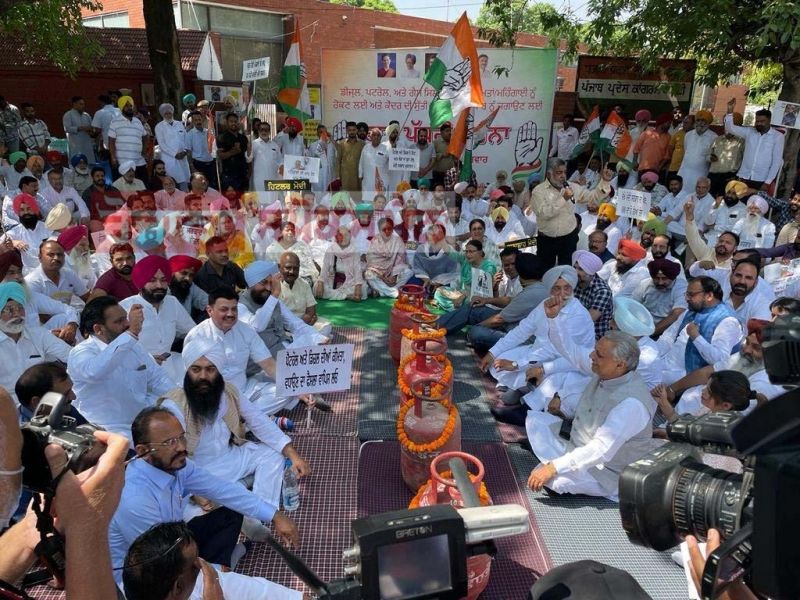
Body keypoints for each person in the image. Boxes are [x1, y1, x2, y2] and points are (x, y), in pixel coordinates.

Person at [108, 406, 299, 580]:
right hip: (146, 576)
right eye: (170, 442)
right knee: (219, 584)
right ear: (143, 451)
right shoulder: (135, 499)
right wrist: (211, 574)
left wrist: (275, 515)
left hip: (174, 540)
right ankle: (219, 570)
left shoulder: (177, 465)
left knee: (231, 514)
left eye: (181, 437)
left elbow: (222, 489)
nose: (182, 447)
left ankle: (220, 567)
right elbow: (163, 563)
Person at [160, 338, 310, 528]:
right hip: (197, 472)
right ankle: (238, 494)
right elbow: (168, 456)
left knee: (273, 455)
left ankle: (259, 516)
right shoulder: (174, 405)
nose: (203, 376)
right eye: (196, 369)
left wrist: (292, 454)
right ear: (187, 371)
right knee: (189, 515)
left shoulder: (228, 391)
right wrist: (193, 491)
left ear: (219, 371)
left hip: (232, 458)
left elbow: (259, 421)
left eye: (210, 369)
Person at [526, 328, 656, 499]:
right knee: (535, 421)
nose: (591, 356)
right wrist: (554, 320)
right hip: (579, 441)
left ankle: (565, 466)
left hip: (608, 469)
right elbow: (570, 351)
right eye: (595, 350)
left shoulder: (631, 404)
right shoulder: (609, 371)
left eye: (599, 355)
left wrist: (553, 468)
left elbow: (601, 449)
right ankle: (561, 459)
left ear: (620, 364)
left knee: (554, 481)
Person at [483, 266, 596, 410]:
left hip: (566, 362)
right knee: (499, 358)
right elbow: (522, 330)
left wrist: (517, 364)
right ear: (550, 290)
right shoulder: (545, 304)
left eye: (567, 288)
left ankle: (525, 394)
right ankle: (522, 386)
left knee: (552, 381)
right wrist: (492, 352)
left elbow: (556, 350)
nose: (562, 293)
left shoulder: (578, 314)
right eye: (557, 288)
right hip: (537, 353)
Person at [68, 296, 174, 437]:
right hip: (102, 430)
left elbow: (158, 378)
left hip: (141, 422)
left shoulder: (133, 346)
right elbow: (95, 372)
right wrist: (132, 334)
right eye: (119, 321)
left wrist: (181, 398)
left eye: (126, 318)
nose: (127, 324)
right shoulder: (80, 353)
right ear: (98, 329)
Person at [122, 522, 305, 600]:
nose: (202, 564)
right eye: (195, 565)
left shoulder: (201, 582)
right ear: (177, 587)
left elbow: (260, 592)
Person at [120, 255, 196, 384]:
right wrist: (146, 360)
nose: (159, 285)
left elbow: (193, 332)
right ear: (141, 282)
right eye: (152, 280)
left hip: (171, 372)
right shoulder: (125, 307)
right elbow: (114, 351)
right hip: (137, 374)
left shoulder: (172, 302)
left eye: (163, 280)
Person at [656, 276, 742, 383]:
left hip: (687, 375)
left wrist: (696, 336)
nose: (687, 299)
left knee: (645, 377)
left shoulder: (728, 321)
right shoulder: (692, 310)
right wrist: (654, 357)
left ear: (709, 296)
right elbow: (668, 337)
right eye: (687, 294)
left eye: (691, 295)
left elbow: (719, 361)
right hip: (666, 362)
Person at [531, 158, 613, 269]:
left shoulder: (572, 187)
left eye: (565, 172)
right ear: (549, 174)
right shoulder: (538, 191)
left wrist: (605, 182)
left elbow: (592, 198)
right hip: (547, 240)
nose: (563, 176)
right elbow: (544, 214)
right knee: (544, 271)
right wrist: (563, 199)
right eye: (559, 172)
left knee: (567, 271)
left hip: (568, 239)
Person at [238, 260, 326, 360]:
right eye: (263, 283)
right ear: (251, 284)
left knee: (322, 333)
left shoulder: (272, 299)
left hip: (284, 347)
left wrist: (319, 338)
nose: (269, 288)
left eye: (272, 283)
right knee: (308, 344)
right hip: (263, 359)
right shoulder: (240, 306)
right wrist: (274, 295)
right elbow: (258, 326)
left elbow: (295, 324)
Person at [0, 281, 71, 401]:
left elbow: (72, 357)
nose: (17, 314)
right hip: (5, 405)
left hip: (40, 402)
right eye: (9, 310)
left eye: (20, 308)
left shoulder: (39, 335)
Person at [724, 98, 784, 190]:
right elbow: (730, 128)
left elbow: (776, 162)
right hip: (744, 176)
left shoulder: (777, 136)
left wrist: (767, 182)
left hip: (761, 179)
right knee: (739, 198)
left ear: (769, 121)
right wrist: (730, 111)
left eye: (762, 121)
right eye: (757, 121)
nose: (759, 123)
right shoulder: (749, 132)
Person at [25, 239, 91, 306]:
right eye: (51, 255)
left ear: (64, 257)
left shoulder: (69, 274)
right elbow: (36, 310)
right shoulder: (31, 281)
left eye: (59, 255)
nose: (56, 258)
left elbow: (87, 297)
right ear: (40, 257)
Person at [278, 251, 330, 336]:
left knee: (326, 326)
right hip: (284, 327)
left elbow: (311, 310)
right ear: (279, 267)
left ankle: (303, 339)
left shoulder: (304, 284)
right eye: (288, 268)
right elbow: (275, 317)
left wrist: (302, 325)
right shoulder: (274, 286)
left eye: (296, 268)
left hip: (304, 323)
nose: (292, 272)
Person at [633, 258, 687, 337]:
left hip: (666, 333)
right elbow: (632, 305)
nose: (660, 282)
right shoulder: (645, 284)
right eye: (657, 278)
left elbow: (676, 315)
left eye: (664, 278)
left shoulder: (681, 287)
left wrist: (650, 333)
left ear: (672, 277)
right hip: (642, 327)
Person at [1, 193, 52, 274]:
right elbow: (2, 242)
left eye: (29, 209)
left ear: (35, 210)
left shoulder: (47, 228)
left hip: (50, 271)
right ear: (18, 212)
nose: (26, 212)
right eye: (22, 210)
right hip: (29, 274)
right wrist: (13, 242)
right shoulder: (16, 231)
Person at [364, 216, 412, 298]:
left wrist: (394, 275)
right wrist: (381, 275)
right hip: (378, 273)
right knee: (368, 274)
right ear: (380, 230)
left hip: (393, 273)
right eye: (384, 229)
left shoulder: (398, 241)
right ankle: (394, 293)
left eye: (389, 229)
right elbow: (371, 261)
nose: (387, 231)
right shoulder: (375, 241)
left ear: (392, 229)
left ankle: (383, 292)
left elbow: (400, 260)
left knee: (408, 272)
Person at [315, 225, 366, 301]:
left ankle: (337, 295)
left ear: (350, 236)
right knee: (316, 287)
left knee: (363, 288)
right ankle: (346, 296)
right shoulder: (331, 250)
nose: (344, 238)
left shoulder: (354, 251)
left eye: (346, 235)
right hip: (333, 279)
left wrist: (358, 286)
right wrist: (320, 283)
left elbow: (357, 269)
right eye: (341, 235)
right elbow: (324, 268)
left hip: (349, 281)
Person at [572, 249, 614, 339]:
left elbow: (587, 320)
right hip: (574, 327)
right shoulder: (575, 282)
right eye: (575, 267)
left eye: (580, 269)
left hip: (594, 335)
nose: (575, 272)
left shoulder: (602, 291)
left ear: (590, 273)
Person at [109, 95, 148, 181]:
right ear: (121, 107)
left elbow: (145, 136)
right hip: (123, 162)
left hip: (139, 162)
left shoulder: (138, 121)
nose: (130, 108)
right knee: (124, 187)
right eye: (126, 106)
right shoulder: (115, 122)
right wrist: (113, 157)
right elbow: (111, 141)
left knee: (142, 185)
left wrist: (144, 151)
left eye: (131, 106)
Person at [724, 257, 772, 326]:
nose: (742, 281)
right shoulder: (718, 296)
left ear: (756, 282)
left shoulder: (763, 305)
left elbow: (756, 332)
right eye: (738, 275)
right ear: (731, 277)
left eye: (748, 278)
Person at [678, 109, 716, 192]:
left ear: (708, 123)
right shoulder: (688, 135)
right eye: (698, 120)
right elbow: (686, 151)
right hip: (684, 172)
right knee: (680, 193)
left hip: (700, 174)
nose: (700, 123)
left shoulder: (713, 137)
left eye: (703, 121)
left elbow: (712, 157)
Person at [707, 112, 745, 196]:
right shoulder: (717, 140)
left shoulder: (742, 142)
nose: (728, 127)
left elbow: (744, 161)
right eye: (726, 124)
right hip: (713, 175)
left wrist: (736, 177)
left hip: (729, 177)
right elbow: (707, 156)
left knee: (723, 200)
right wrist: (710, 158)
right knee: (709, 199)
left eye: (731, 125)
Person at [155, 103, 191, 190]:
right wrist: (175, 154)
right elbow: (162, 145)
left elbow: (186, 139)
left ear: (172, 113)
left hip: (182, 158)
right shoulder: (159, 127)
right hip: (170, 160)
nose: (168, 115)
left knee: (185, 185)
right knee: (172, 183)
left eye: (169, 113)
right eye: (165, 113)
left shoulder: (179, 124)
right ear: (162, 114)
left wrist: (185, 151)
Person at [217, 112, 249, 192]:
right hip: (229, 175)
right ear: (227, 123)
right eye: (231, 121)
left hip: (242, 174)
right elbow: (221, 156)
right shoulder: (222, 138)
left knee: (243, 198)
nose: (233, 123)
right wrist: (232, 152)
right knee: (230, 198)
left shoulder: (243, 138)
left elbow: (247, 155)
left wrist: (249, 172)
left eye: (235, 121)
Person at [62, 96, 97, 162]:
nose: (83, 106)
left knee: (89, 163)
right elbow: (67, 128)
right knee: (76, 163)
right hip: (75, 145)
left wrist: (91, 130)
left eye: (83, 104)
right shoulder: (68, 115)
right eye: (80, 104)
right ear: (74, 104)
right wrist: (80, 128)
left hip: (87, 144)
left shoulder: (86, 115)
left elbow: (92, 127)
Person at [359, 127, 389, 195]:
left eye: (378, 135)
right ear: (370, 137)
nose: (376, 137)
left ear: (381, 137)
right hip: (367, 180)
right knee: (367, 198)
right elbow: (361, 162)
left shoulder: (385, 148)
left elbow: (390, 163)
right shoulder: (366, 147)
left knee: (380, 199)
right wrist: (360, 175)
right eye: (374, 135)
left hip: (381, 180)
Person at [336, 121, 364, 192]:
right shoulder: (341, 144)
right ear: (347, 131)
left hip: (358, 176)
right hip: (345, 177)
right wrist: (338, 176)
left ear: (356, 130)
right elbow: (338, 161)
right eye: (350, 130)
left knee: (357, 196)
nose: (352, 132)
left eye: (354, 130)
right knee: (345, 196)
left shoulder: (362, 144)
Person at [308, 123, 337, 193]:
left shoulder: (332, 145)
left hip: (330, 176)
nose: (323, 134)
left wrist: (332, 139)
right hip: (319, 176)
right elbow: (310, 163)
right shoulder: (313, 146)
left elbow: (337, 157)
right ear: (317, 134)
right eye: (321, 132)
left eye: (325, 132)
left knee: (329, 195)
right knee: (318, 195)